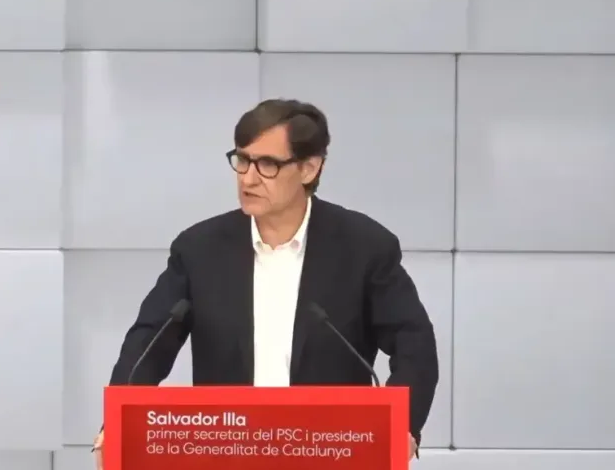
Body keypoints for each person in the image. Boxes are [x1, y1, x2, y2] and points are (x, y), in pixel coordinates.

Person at [93, 99, 439, 468]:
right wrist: (116, 423)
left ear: (309, 168)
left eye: (268, 165)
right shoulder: (199, 250)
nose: (248, 178)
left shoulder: (364, 247)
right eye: (242, 160)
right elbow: (148, 342)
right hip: (228, 453)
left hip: (330, 452)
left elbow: (414, 344)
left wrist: (400, 426)